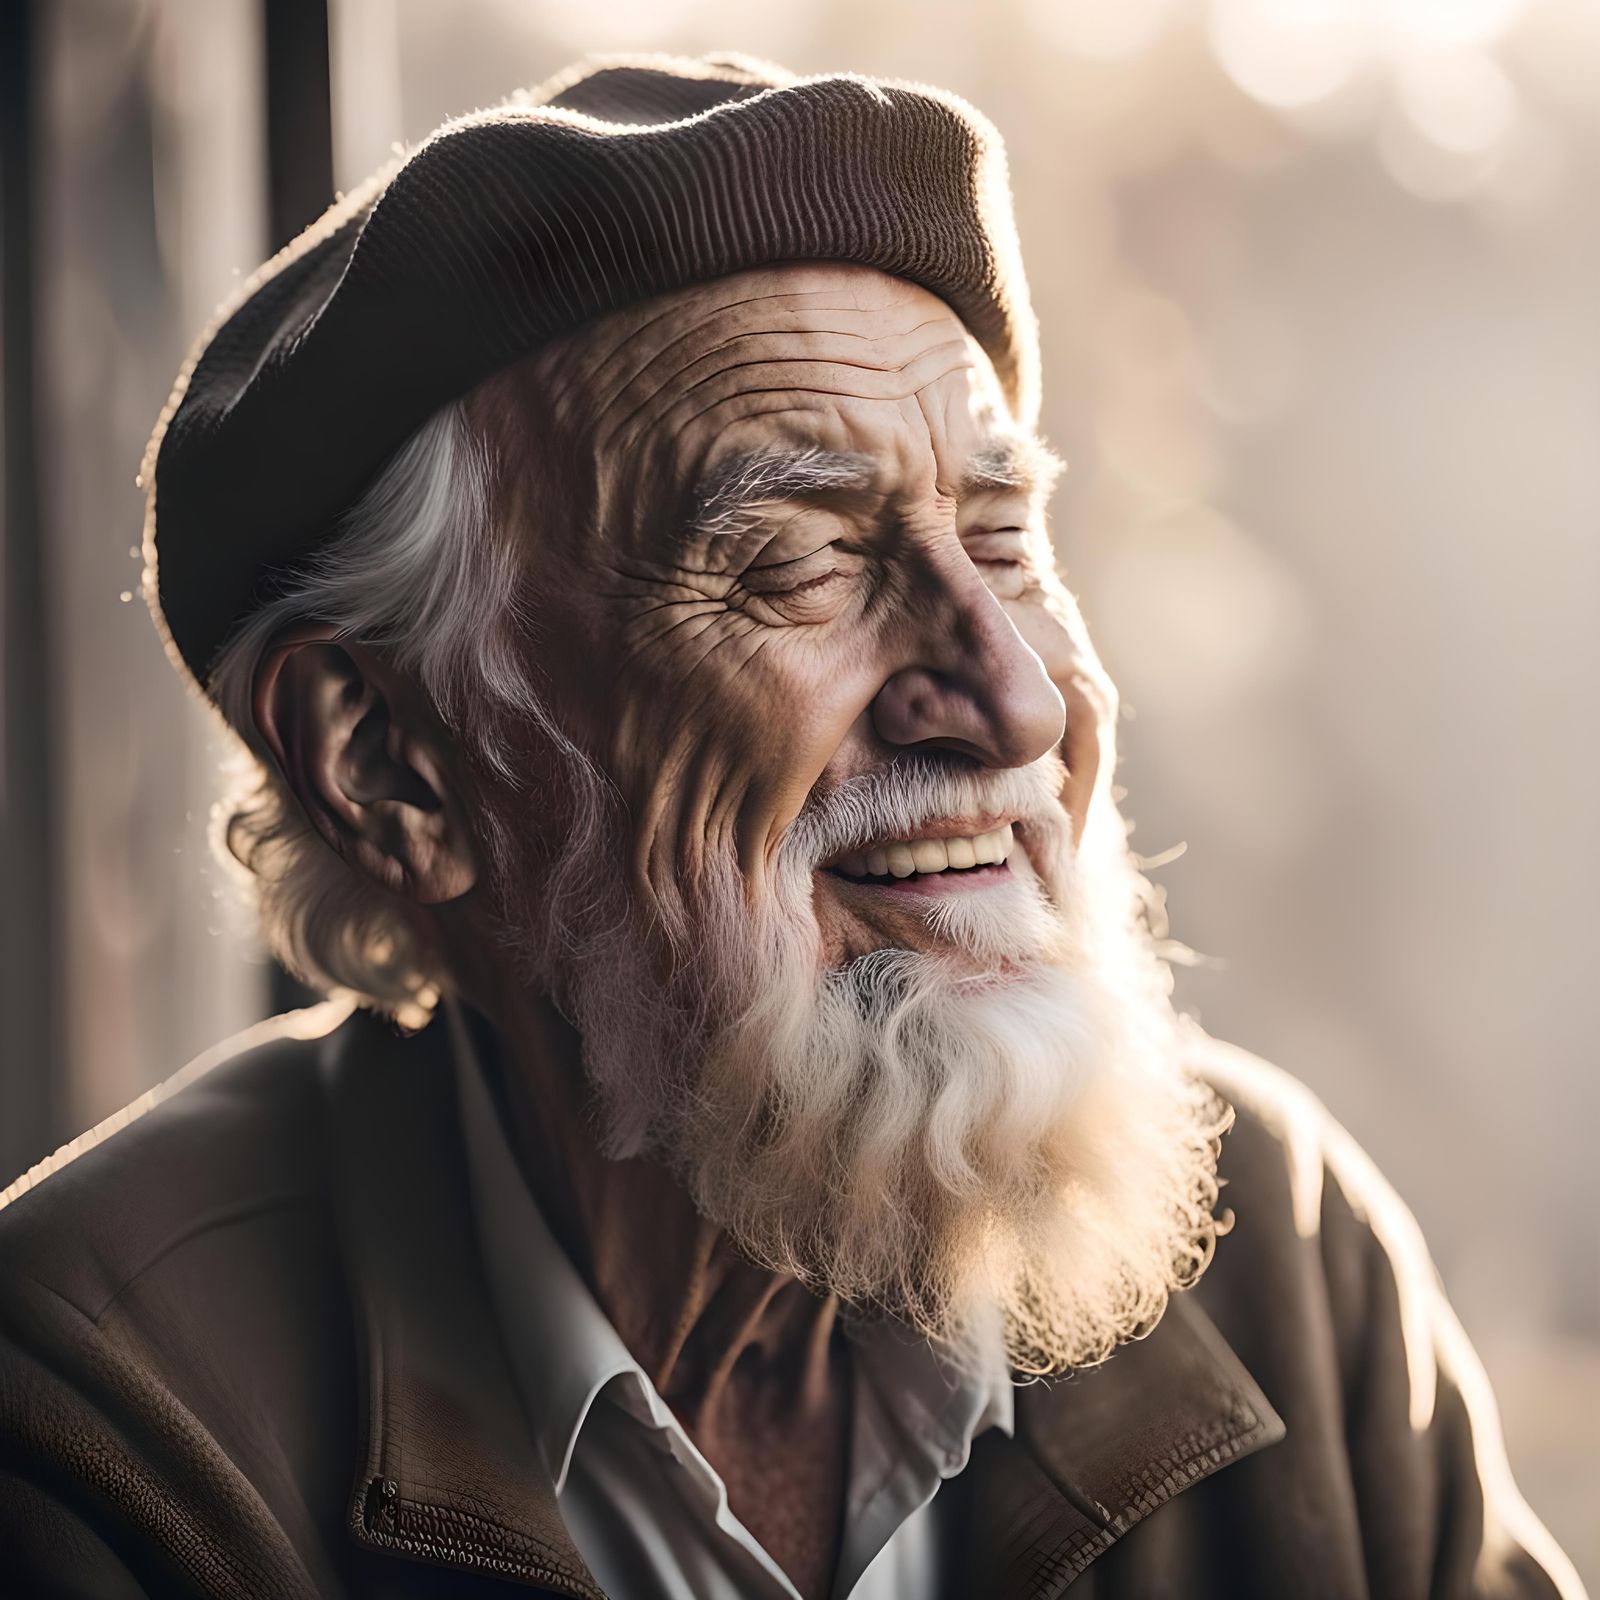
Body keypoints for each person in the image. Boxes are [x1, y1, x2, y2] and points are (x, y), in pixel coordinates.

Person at [0, 52, 1582, 1600]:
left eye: (1004, 538)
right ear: (392, 765)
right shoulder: (96, 1415)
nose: (1017, 699)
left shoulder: (1287, 1267)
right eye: (800, 566)